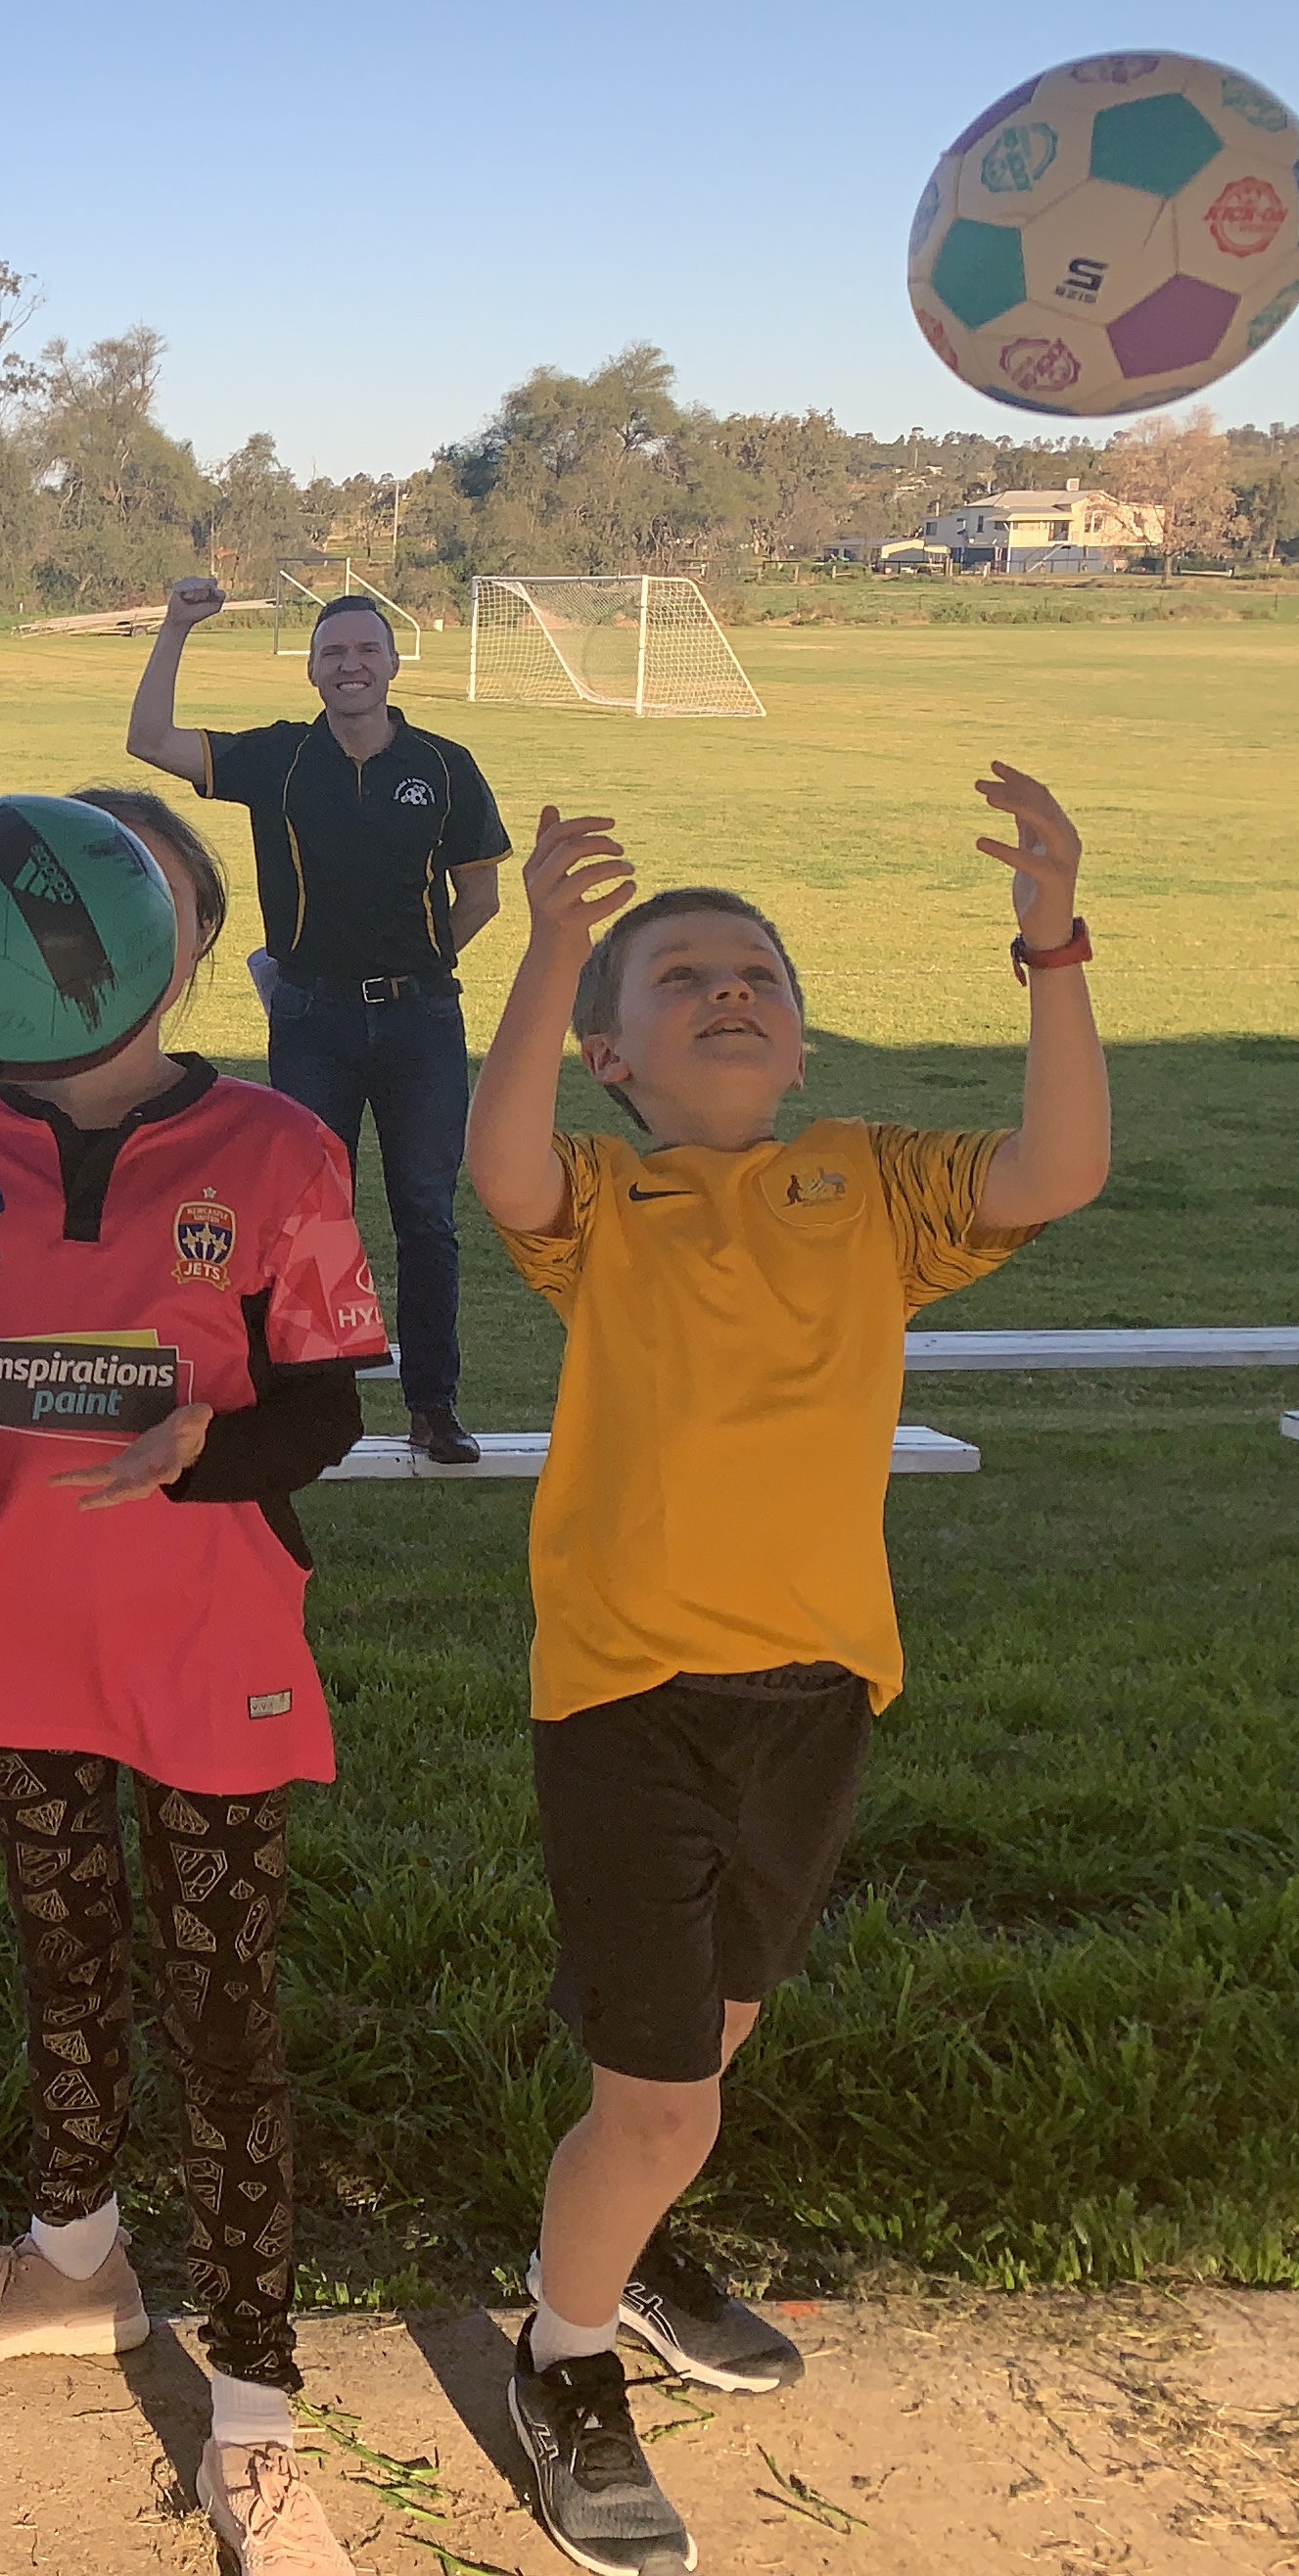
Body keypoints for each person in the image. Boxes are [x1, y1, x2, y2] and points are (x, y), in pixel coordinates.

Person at [465, 767, 1106, 2576]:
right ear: (612, 1053)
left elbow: (1055, 1169)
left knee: (712, 2041)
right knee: (663, 2084)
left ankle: (630, 2231)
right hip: (625, 1687)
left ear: (801, 1042)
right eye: (677, 978)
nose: (727, 984)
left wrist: (1048, 943)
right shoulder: (596, 1190)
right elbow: (492, 1161)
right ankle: (563, 2347)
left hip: (819, 1684)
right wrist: (549, 951)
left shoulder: (877, 1185)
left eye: (753, 969)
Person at [0, 789, 384, 2576]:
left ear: (185, 934)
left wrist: (198, 1447)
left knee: (217, 2000)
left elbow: (327, 1399)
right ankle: (71, 2255)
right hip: (11, 1618)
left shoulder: (280, 1142)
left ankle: (257, 2408)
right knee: (62, 1948)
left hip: (204, 1629)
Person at [127, 577, 509, 1466]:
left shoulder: (444, 766)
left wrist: (416, 965)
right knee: (303, 1218)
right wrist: (178, 626)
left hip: (420, 1025)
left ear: (393, 663)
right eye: (333, 653)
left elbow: (480, 896)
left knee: (425, 1212)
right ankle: (306, 1405)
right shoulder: (279, 759)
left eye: (366, 650)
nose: (351, 666)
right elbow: (147, 740)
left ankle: (433, 1406)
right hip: (312, 1023)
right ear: (311, 671)